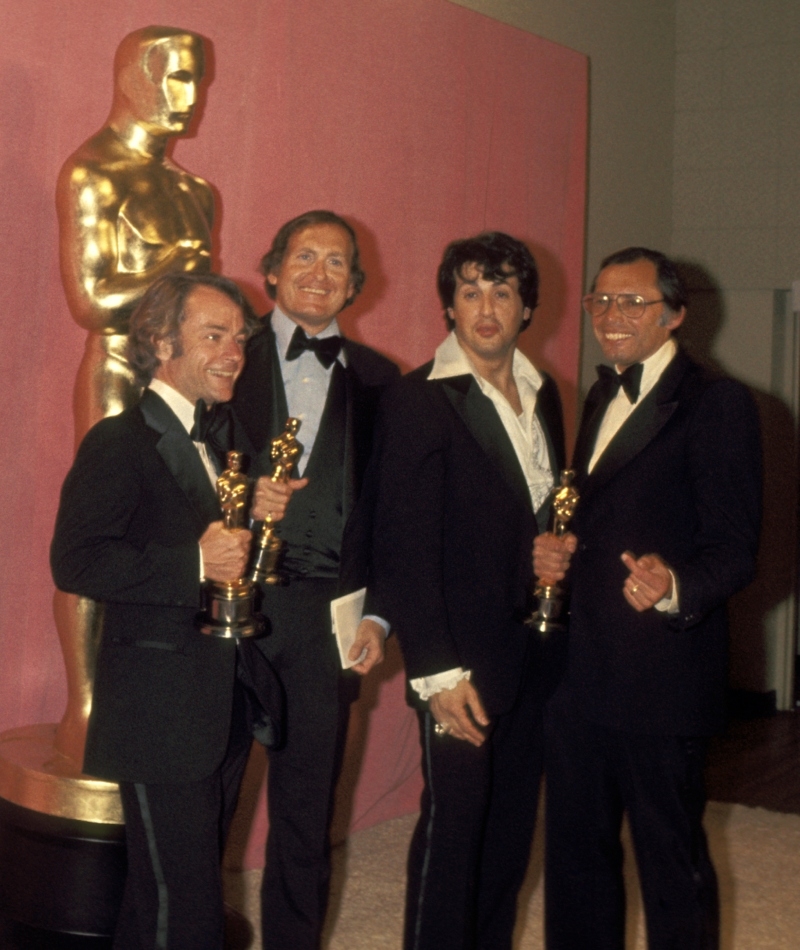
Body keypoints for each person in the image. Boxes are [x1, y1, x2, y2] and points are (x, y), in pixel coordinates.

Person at [534, 247, 762, 950]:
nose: (611, 315)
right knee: (575, 854)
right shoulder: (601, 393)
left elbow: (735, 548)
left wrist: (675, 584)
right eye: (600, 301)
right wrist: (555, 546)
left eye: (631, 302)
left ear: (675, 315)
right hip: (578, 669)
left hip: (661, 674)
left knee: (670, 859)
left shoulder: (717, 402)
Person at [50, 272, 278, 950]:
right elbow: (77, 561)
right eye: (214, 336)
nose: (234, 351)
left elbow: (218, 551)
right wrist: (196, 563)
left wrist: (253, 526)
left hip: (224, 699)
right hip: (158, 711)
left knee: (163, 896)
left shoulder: (223, 439)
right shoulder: (119, 440)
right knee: (190, 910)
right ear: (159, 342)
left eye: (239, 337)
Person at [370, 232, 566, 950]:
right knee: (454, 834)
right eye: (471, 291)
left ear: (526, 309)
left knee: (512, 831)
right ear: (449, 306)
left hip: (533, 654)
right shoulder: (419, 400)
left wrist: (547, 553)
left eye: (504, 291)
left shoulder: (545, 397)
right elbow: (405, 546)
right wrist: (436, 674)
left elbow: (529, 513)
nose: (487, 307)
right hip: (459, 664)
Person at [231, 209, 400, 950]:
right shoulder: (223, 353)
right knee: (207, 791)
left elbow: (396, 515)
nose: (319, 273)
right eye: (305, 256)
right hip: (226, 602)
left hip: (328, 615)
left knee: (306, 806)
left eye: (337, 263)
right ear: (271, 270)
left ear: (356, 286)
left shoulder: (382, 379)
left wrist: (382, 616)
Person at [55, 24, 214, 768]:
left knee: (185, 531)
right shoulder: (93, 172)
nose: (188, 97)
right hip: (119, 368)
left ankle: (158, 694)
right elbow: (90, 301)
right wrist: (176, 275)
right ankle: (84, 704)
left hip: (188, 383)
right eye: (176, 77)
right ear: (133, 78)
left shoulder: (194, 190)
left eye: (195, 79)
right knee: (101, 533)